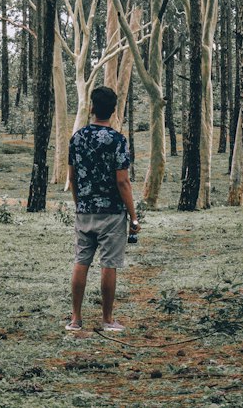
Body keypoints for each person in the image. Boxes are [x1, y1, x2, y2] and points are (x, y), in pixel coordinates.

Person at [66, 85, 140, 333]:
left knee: (81, 261)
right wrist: (133, 215)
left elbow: (73, 177)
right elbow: (123, 181)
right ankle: (107, 319)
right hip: (111, 212)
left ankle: (75, 319)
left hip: (85, 209)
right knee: (109, 263)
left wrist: (80, 203)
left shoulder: (77, 138)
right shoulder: (118, 141)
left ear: (92, 107)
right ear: (114, 110)